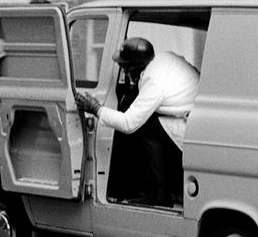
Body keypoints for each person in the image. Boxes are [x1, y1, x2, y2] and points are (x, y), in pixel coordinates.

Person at [75, 37, 199, 206]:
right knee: (145, 118)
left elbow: (128, 124)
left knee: (145, 126)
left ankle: (159, 193)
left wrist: (96, 108)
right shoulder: (164, 58)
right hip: (193, 118)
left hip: (190, 130)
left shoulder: (154, 82)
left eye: (124, 67)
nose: (123, 71)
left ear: (132, 68)